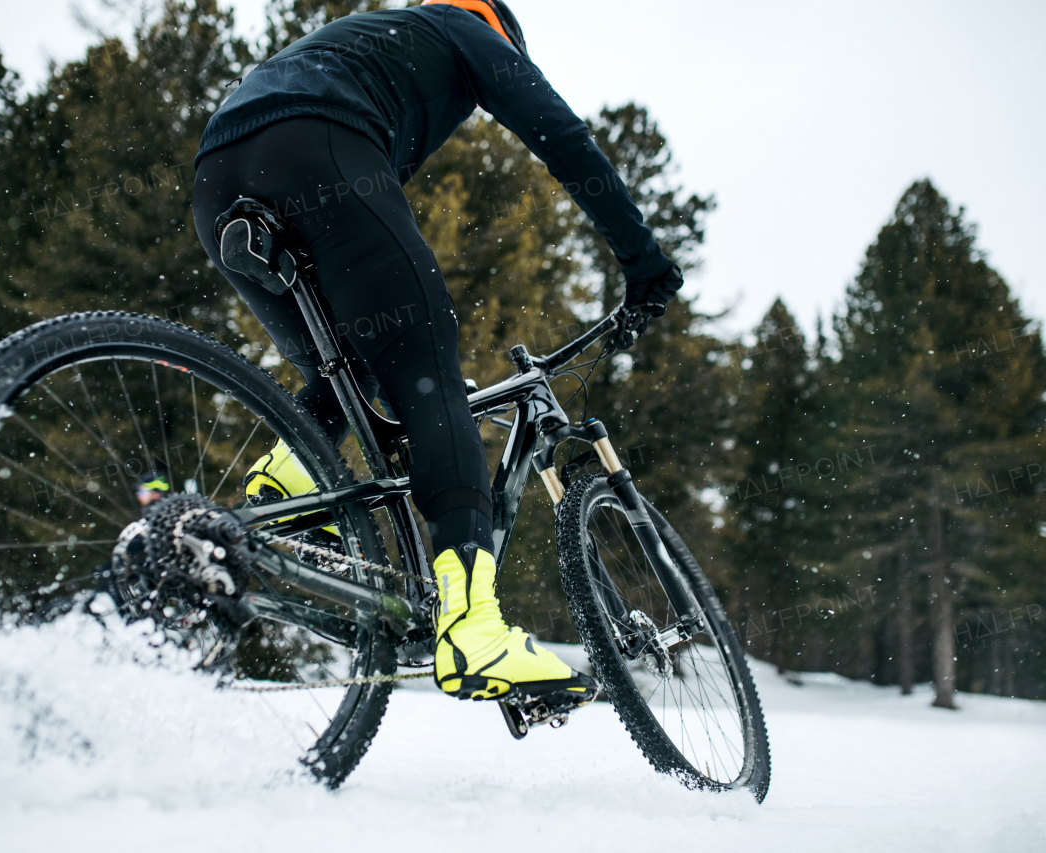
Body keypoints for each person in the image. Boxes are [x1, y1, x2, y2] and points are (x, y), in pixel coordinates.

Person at [192, 0, 684, 707]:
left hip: (216, 175)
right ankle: (472, 627)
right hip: (315, 138)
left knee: (353, 363)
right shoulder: (461, 27)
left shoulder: (372, 45)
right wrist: (643, 261)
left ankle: (289, 480)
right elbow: (563, 137)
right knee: (428, 368)